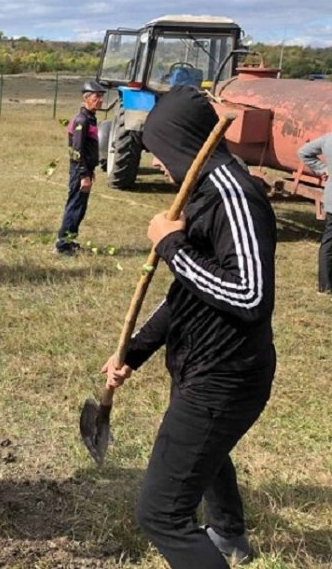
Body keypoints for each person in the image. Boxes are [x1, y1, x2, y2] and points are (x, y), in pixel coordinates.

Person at [101, 86, 277, 568]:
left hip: (227, 377)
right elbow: (185, 295)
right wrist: (132, 353)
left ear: (184, 142)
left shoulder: (233, 196)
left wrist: (173, 248)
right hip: (203, 368)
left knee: (160, 514)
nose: (158, 163)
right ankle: (228, 536)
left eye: (161, 152)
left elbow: (251, 295)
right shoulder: (199, 194)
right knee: (208, 452)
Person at [55, 80, 105, 255]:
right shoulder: (81, 120)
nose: (100, 100)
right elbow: (76, 151)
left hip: (86, 170)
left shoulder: (90, 118)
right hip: (79, 171)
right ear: (86, 98)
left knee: (80, 208)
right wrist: (84, 174)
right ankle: (63, 245)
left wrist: (90, 171)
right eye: (97, 96)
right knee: (75, 207)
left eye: (101, 96)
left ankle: (70, 240)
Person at [297, 133, 331, 293]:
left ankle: (324, 286)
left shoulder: (329, 138)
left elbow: (303, 151)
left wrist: (323, 168)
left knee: (329, 243)